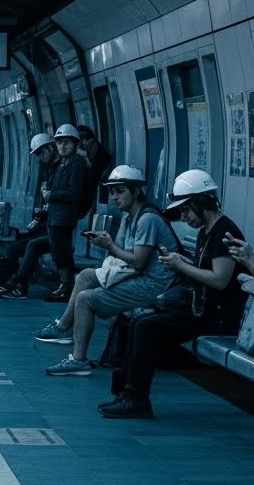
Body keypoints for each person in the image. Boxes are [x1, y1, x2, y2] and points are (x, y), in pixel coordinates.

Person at [103, 169, 246, 418]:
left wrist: (181, 266)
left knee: (147, 327)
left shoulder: (224, 233)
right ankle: (127, 392)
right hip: (201, 308)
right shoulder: (206, 231)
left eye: (186, 210)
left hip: (217, 317)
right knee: (138, 320)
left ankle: (137, 399)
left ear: (202, 203)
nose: (184, 217)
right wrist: (182, 260)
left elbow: (220, 281)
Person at [32, 166, 178, 376]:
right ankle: (63, 328)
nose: (114, 197)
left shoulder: (147, 219)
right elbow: (119, 250)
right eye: (111, 192)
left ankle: (78, 359)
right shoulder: (129, 217)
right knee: (84, 276)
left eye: (120, 191)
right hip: (138, 277)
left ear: (135, 191)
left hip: (156, 285)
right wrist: (107, 242)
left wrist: (109, 246)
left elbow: (137, 262)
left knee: (85, 299)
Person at [0, 133, 59, 299]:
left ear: (50, 147)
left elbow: (63, 198)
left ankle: (18, 285)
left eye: (42, 153)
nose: (41, 158)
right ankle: (13, 283)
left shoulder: (61, 169)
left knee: (32, 245)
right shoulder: (51, 169)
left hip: (58, 229)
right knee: (13, 247)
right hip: (48, 226)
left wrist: (46, 199)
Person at [41, 125, 88, 302]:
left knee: (62, 252)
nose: (62, 146)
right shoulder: (61, 163)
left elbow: (74, 192)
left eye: (67, 143)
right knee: (57, 251)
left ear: (75, 144)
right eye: (59, 143)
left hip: (64, 216)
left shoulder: (76, 164)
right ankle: (64, 284)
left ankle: (67, 287)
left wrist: (52, 194)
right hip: (55, 215)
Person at [77, 125, 114, 206]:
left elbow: (96, 172)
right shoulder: (88, 151)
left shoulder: (96, 150)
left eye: (83, 141)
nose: (82, 145)